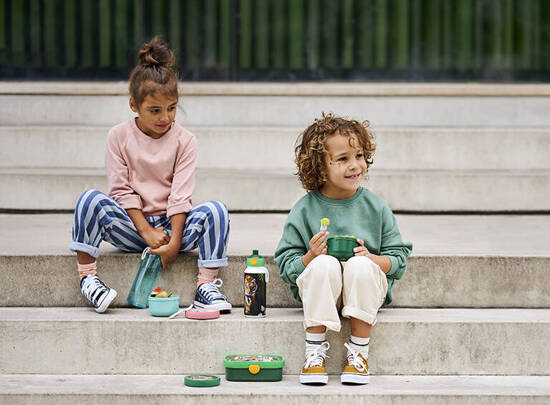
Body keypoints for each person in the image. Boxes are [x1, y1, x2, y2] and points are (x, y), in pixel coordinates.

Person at [69, 37, 231, 314]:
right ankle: (89, 279)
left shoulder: (185, 140)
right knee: (89, 200)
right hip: (133, 226)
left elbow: (181, 195)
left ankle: (207, 286)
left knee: (216, 211)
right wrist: (146, 231)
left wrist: (174, 243)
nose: (165, 118)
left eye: (171, 108)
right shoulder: (119, 136)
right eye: (154, 110)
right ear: (134, 105)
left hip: (173, 227)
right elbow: (121, 191)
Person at [274, 113, 412, 385]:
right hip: (319, 289)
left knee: (360, 265)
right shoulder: (304, 209)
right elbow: (287, 268)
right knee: (324, 264)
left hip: (365, 290)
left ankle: (358, 355)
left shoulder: (376, 207)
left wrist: (372, 258)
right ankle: (314, 352)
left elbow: (398, 260)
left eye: (359, 155)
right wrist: (310, 256)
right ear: (320, 168)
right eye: (343, 159)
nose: (355, 165)